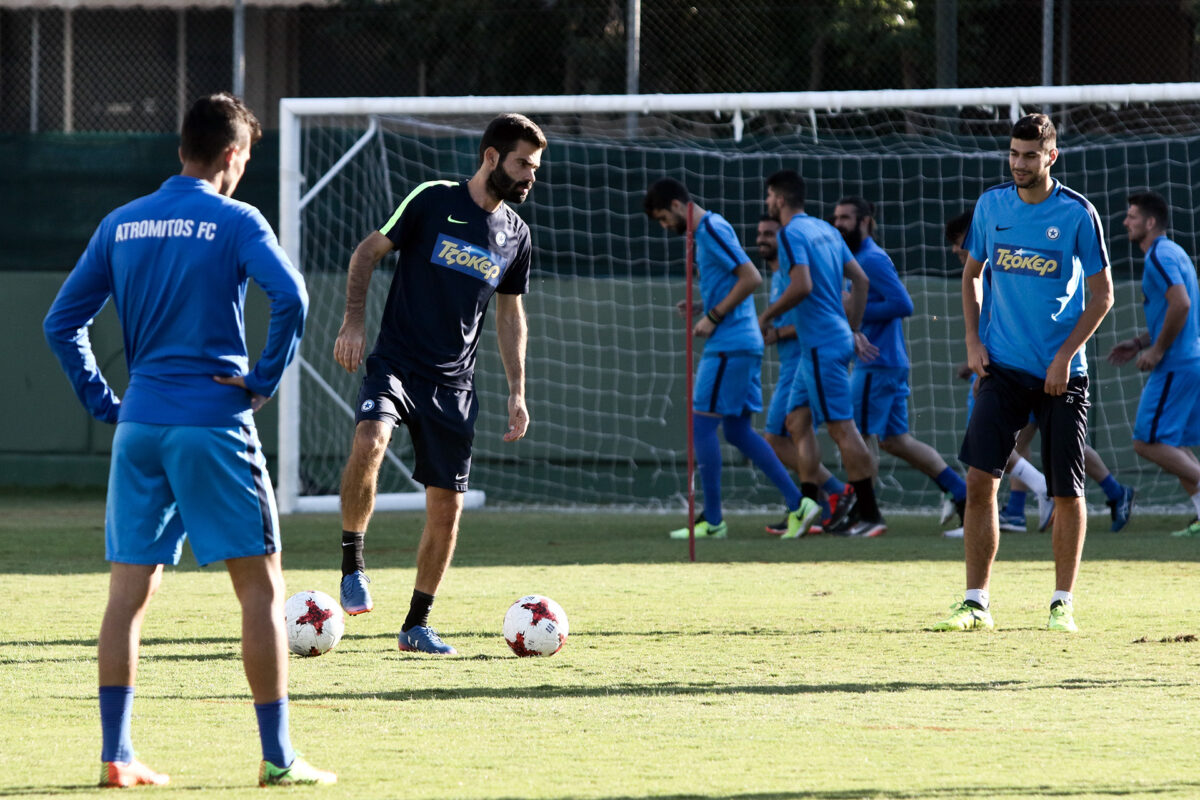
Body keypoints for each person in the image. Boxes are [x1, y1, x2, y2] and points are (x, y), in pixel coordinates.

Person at [42, 93, 335, 787]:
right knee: (261, 591)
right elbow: (291, 296)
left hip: (141, 425)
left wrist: (103, 400)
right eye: (245, 159)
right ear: (232, 155)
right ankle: (278, 757)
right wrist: (262, 379)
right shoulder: (235, 219)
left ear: (182, 148)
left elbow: (62, 323)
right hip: (212, 421)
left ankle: (116, 755)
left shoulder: (122, 223)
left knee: (127, 596)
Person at [333, 114, 545, 655]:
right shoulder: (432, 199)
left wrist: (518, 391)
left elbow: (509, 315)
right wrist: (353, 322)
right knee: (369, 439)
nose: (530, 177)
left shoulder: (516, 235)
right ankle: (352, 561)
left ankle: (415, 624)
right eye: (523, 164)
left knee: (447, 508)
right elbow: (365, 254)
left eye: (536, 168)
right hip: (397, 363)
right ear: (492, 157)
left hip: (455, 386)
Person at [934, 113, 1113, 634]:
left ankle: (1062, 603)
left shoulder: (1078, 213)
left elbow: (1103, 296)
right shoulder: (991, 206)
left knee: (1066, 491)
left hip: (1063, 375)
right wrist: (972, 340)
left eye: (1029, 156)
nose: (1018, 163)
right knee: (979, 480)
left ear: (1050, 157)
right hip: (1002, 368)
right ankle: (975, 602)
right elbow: (972, 275)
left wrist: (1064, 356)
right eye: (1013, 154)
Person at [642, 178, 821, 540]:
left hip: (730, 345)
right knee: (738, 431)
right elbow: (731, 282)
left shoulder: (710, 228)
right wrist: (701, 306)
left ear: (677, 206)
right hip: (740, 343)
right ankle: (798, 504)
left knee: (702, 426)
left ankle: (714, 520)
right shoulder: (707, 231)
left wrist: (715, 316)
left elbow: (750, 276)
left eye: (663, 219)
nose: (665, 227)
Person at [759, 170, 887, 538]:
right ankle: (807, 506)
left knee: (841, 429)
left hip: (820, 345)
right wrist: (855, 327)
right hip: (824, 342)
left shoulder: (792, 234)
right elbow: (859, 281)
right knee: (796, 422)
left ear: (779, 199)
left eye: (770, 197)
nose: (769, 203)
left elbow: (802, 286)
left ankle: (869, 514)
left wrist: (766, 316)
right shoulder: (825, 229)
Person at [832, 196, 967, 536]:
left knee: (858, 438)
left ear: (865, 222)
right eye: (835, 218)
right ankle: (962, 493)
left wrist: (855, 312)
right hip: (884, 362)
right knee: (896, 441)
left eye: (846, 218)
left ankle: (867, 515)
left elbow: (903, 304)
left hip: (876, 362)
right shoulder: (854, 259)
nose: (839, 224)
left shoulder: (871, 260)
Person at [947, 208, 1055, 535]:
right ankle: (1020, 509)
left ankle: (1038, 488)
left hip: (1001, 368)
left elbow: (1000, 320)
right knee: (1013, 443)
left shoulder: (993, 268)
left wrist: (985, 370)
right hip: (1000, 364)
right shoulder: (988, 268)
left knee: (984, 445)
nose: (955, 249)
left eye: (958, 241)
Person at [1108, 191, 1200, 537]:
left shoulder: (1159, 256)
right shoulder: (1175, 253)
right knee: (1171, 445)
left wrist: (1158, 351)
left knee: (1146, 442)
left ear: (1149, 223)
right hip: (1189, 359)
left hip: (1177, 363)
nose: (1125, 222)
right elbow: (1174, 310)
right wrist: (1138, 343)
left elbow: (1182, 305)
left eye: (1131, 216)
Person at [755, 215, 851, 535]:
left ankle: (832, 494)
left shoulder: (798, 272)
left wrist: (778, 332)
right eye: (760, 234)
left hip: (803, 359)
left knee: (775, 438)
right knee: (792, 430)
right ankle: (812, 502)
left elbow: (826, 309)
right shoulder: (779, 274)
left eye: (770, 233)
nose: (764, 238)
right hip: (795, 362)